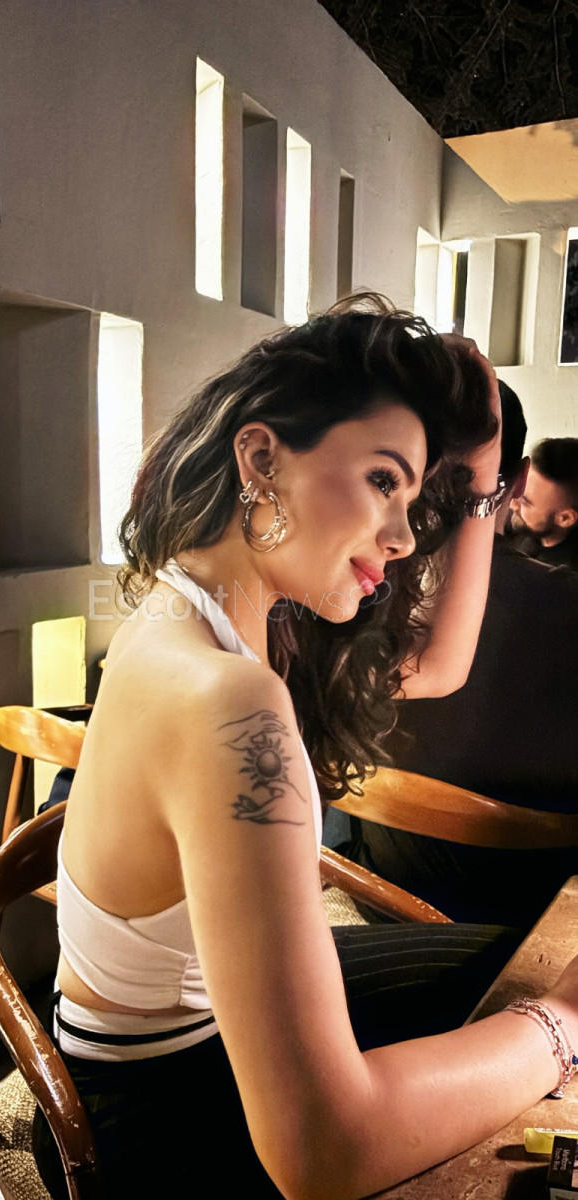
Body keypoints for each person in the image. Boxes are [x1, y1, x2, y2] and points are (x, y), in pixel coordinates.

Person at [33, 297, 578, 1199]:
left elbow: (438, 665)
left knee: (512, 964)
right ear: (260, 458)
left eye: (414, 498)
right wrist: (560, 1025)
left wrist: (481, 479)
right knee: (533, 1035)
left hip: (140, 1043)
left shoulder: (206, 612)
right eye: (380, 479)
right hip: (156, 1118)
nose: (403, 536)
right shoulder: (228, 700)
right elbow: (324, 1154)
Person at [332, 383, 578, 929]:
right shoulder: (564, 605)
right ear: (519, 482)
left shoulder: (338, 592)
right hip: (532, 917)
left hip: (373, 886)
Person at [507, 436, 578, 569]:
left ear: (565, 518)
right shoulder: (523, 528)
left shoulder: (565, 578)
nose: (512, 504)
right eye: (517, 489)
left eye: (525, 501)